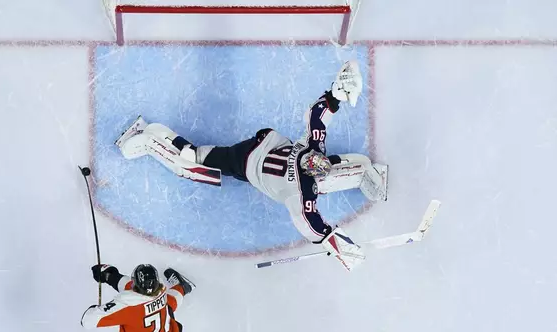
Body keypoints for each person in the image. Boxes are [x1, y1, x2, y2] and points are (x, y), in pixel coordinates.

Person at [115, 61, 388, 270]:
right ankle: (150, 141)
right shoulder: (301, 195)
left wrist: (336, 93)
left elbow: (317, 116)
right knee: (192, 163)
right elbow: (310, 224)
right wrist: (333, 242)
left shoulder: (311, 149)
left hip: (266, 141)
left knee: (356, 164)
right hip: (245, 161)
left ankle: (366, 173)